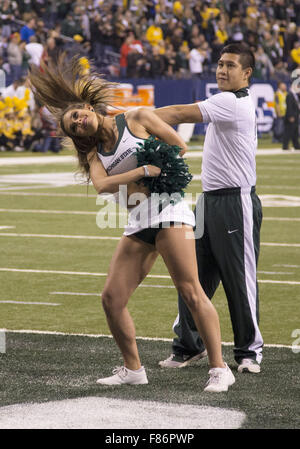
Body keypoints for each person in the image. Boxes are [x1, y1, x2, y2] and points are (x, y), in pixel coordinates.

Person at [28, 53, 235, 393]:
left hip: (168, 210)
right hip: (139, 220)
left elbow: (178, 146)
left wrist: (160, 170)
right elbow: (102, 185)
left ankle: (219, 367)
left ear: (89, 107)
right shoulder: (94, 154)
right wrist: (141, 171)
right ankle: (133, 368)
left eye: (78, 115)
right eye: (73, 126)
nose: (79, 122)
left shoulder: (135, 118)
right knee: (111, 297)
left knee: (189, 290)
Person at [154, 42, 264, 374]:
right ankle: (189, 346)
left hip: (235, 201)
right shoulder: (224, 100)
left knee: (239, 280)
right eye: (219, 63)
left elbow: (175, 114)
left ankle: (249, 351)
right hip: (209, 200)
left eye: (230, 65)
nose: (221, 69)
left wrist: (129, 121)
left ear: (246, 74)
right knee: (192, 277)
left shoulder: (232, 101)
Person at [282, 79, 300, 151]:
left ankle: (296, 145)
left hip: (295, 116)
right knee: (288, 131)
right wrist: (290, 116)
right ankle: (285, 145)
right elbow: (289, 106)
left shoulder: (295, 95)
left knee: (295, 131)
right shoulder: (289, 95)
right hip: (291, 116)